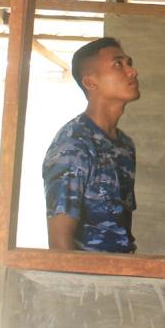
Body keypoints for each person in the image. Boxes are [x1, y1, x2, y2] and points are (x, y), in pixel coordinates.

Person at [42, 37, 140, 252]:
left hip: (122, 270)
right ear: (90, 83)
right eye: (118, 64)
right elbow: (59, 244)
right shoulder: (73, 145)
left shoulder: (124, 145)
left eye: (129, 63)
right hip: (87, 274)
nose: (132, 72)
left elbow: (120, 230)